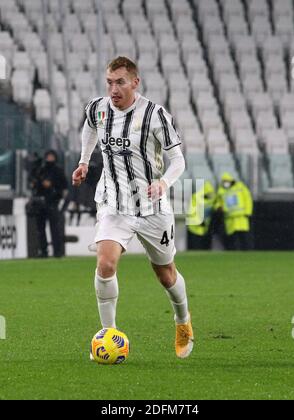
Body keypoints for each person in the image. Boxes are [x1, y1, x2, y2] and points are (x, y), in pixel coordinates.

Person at [72, 56, 194, 359]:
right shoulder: (98, 108)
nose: (114, 89)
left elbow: (178, 160)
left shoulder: (155, 114)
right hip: (114, 203)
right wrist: (84, 161)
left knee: (166, 275)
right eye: (110, 82)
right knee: (106, 264)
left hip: (152, 208)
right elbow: (89, 128)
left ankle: (183, 322)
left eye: (120, 82)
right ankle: (108, 335)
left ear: (135, 82)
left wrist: (163, 183)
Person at [30, 150, 68, 258]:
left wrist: (52, 186)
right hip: (40, 202)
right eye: (48, 156)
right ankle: (43, 251)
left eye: (52, 156)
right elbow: (33, 181)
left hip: (53, 202)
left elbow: (63, 186)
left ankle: (57, 251)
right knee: (40, 229)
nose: (50, 159)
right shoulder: (40, 169)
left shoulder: (58, 170)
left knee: (54, 228)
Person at [215, 172, 253, 251]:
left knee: (244, 236)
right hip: (229, 218)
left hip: (241, 217)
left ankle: (248, 252)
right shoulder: (221, 191)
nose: (225, 183)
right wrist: (218, 207)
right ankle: (236, 253)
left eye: (227, 181)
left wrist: (248, 212)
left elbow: (247, 199)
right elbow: (218, 202)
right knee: (233, 238)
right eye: (224, 181)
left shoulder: (240, 187)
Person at [187, 181, 216, 250]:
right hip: (195, 228)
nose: (210, 195)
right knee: (196, 247)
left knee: (205, 248)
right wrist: (199, 221)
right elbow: (191, 212)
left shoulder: (212, 199)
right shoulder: (195, 198)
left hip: (205, 228)